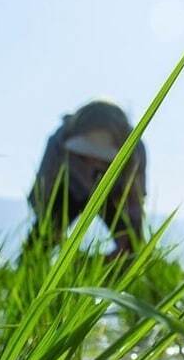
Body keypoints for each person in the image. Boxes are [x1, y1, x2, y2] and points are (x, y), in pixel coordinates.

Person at [25, 99, 146, 257]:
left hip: (113, 193)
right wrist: (58, 237)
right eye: (85, 156)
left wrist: (126, 242)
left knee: (134, 246)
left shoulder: (136, 149)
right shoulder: (59, 140)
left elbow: (135, 201)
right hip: (70, 190)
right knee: (37, 243)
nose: (94, 162)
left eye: (102, 159)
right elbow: (40, 193)